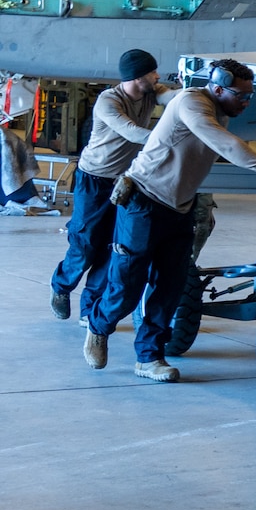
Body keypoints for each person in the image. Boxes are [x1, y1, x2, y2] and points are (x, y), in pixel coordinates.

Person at [83, 59, 256, 382]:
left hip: (178, 208)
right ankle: (98, 326)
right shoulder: (192, 102)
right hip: (143, 201)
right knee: (127, 287)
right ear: (217, 89)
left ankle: (148, 358)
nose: (246, 102)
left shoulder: (221, 110)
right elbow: (221, 143)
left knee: (170, 288)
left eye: (249, 96)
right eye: (241, 96)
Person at [49, 49, 176, 321]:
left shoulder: (151, 91)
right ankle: (61, 286)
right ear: (137, 77)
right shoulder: (108, 101)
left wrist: (199, 98)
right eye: (152, 72)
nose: (157, 76)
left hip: (126, 181)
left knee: (111, 249)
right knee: (85, 245)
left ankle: (89, 311)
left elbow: (174, 98)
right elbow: (129, 130)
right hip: (94, 179)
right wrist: (165, 139)